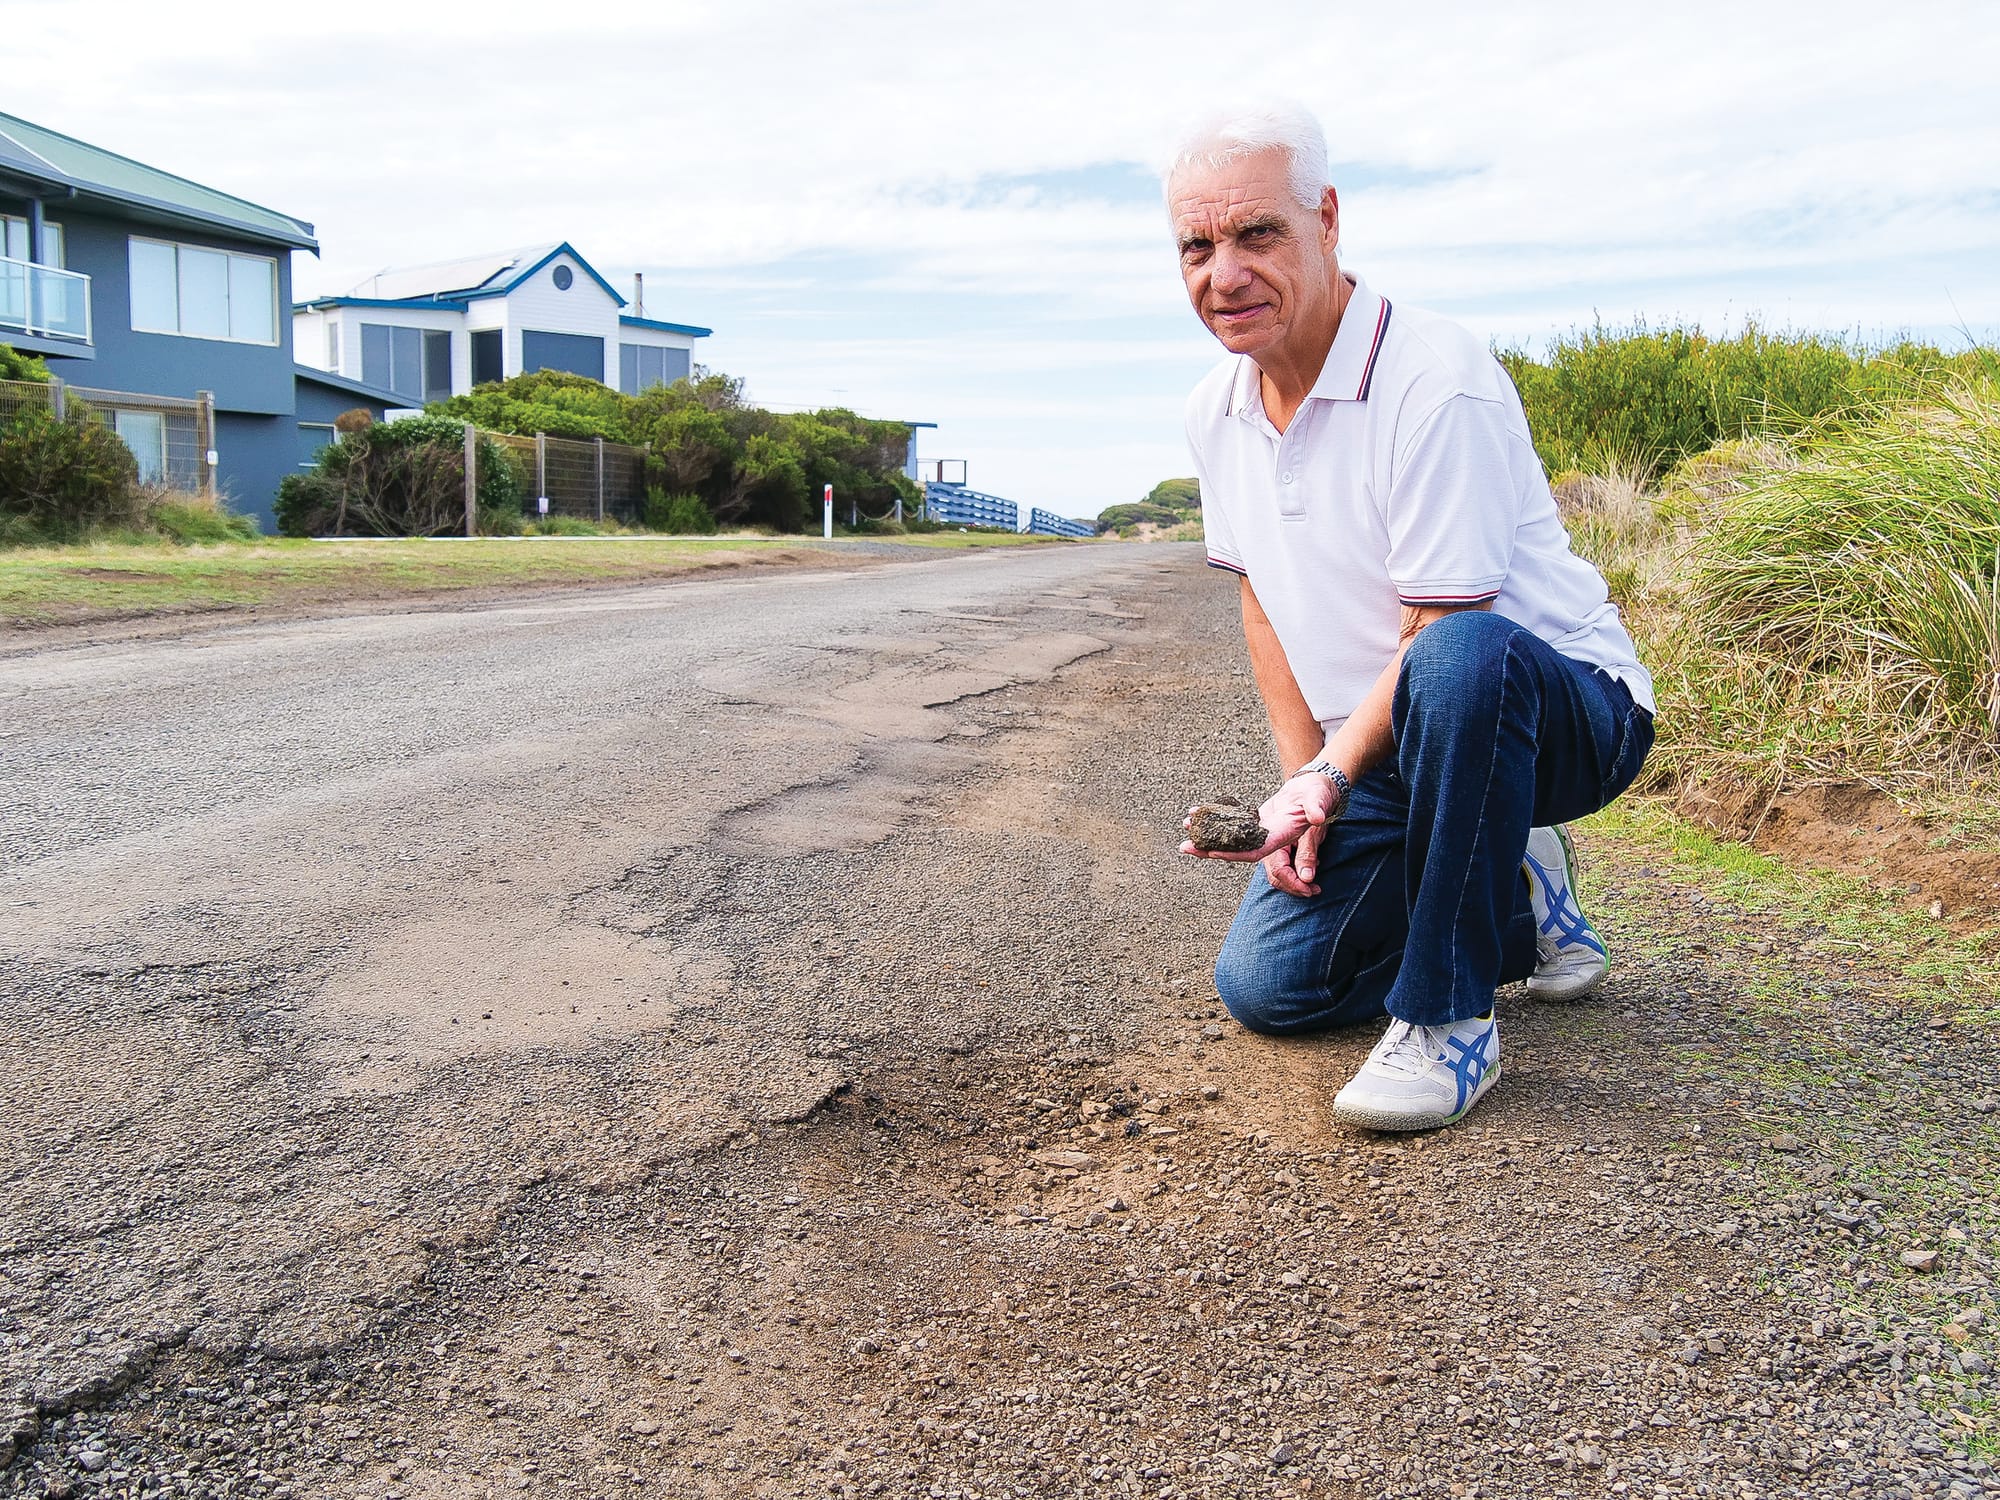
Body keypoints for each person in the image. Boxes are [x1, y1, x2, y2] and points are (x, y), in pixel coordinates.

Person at [1169, 102, 1656, 1132]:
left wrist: (1334, 775)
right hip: (1394, 740)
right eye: (1197, 247)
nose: (1225, 273)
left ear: (1327, 219)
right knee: (1270, 988)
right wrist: (1305, 783)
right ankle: (1516, 887)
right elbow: (1261, 596)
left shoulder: (1433, 377)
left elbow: (1443, 629)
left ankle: (1448, 1018)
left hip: (1556, 711)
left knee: (1462, 652)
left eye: (1257, 234)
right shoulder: (1215, 408)